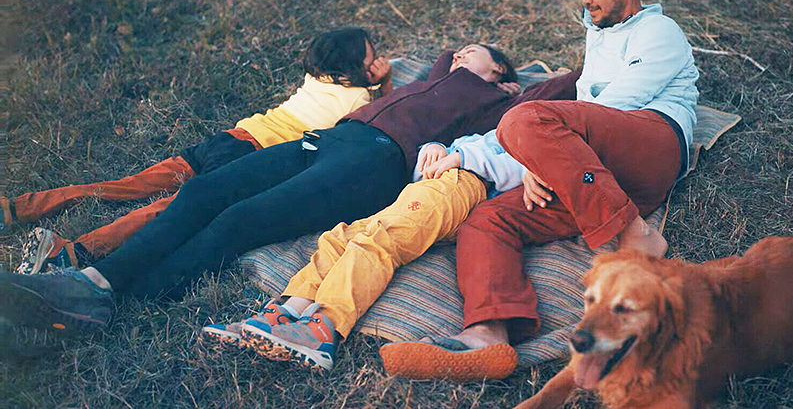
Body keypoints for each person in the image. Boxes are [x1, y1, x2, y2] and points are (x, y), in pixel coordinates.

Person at [0, 43, 580, 337]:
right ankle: (89, 283)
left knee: (242, 220)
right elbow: (434, 61)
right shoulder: (436, 76)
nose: (457, 52)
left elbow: (567, 83)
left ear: (501, 73)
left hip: (378, 166)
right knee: (204, 195)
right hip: (332, 138)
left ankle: (113, 301)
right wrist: (453, 61)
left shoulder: (504, 101)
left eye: (473, 50)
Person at [380, 0, 700, 381]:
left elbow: (613, 108)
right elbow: (576, 117)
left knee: (522, 120)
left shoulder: (659, 32)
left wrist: (538, 153)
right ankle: (488, 334)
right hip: (600, 177)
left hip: (650, 144)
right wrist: (543, 156)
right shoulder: (599, 33)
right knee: (486, 220)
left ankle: (636, 235)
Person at [5, 28, 392, 275]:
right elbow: (370, 122)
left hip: (230, 137)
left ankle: (19, 207)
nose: (376, 61)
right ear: (354, 70)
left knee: (130, 185)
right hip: (251, 155)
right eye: (371, 58)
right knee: (167, 209)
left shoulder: (315, 77)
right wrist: (384, 81)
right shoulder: (358, 95)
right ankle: (75, 252)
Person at [202, 128, 527, 371]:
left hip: (463, 185)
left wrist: (461, 158)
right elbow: (463, 142)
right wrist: (436, 148)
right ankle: (283, 315)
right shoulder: (503, 127)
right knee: (339, 237)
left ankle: (323, 328)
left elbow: (520, 165)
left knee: (380, 240)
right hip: (430, 185)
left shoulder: (538, 134)